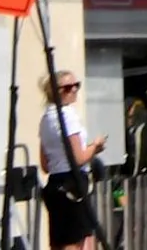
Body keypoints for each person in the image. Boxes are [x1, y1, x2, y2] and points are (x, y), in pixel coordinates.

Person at [39, 68, 103, 249]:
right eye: (68, 87)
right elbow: (79, 158)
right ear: (56, 91)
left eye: (76, 85)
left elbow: (45, 164)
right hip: (72, 183)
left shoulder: (45, 119)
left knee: (60, 241)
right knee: (78, 240)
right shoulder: (68, 116)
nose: (74, 90)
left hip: (55, 185)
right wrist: (95, 147)